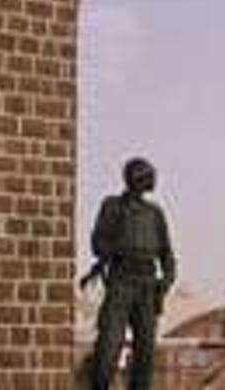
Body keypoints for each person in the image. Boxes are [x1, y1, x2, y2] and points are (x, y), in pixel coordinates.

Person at [86, 158, 176, 390]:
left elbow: (167, 254)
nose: (153, 179)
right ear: (136, 178)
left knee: (145, 354)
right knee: (108, 348)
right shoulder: (113, 205)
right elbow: (97, 243)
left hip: (148, 286)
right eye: (148, 175)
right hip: (121, 282)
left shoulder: (155, 213)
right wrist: (118, 251)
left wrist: (165, 281)